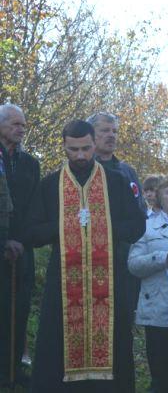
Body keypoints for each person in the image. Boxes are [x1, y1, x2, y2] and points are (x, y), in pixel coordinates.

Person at [26, 119, 146, 392]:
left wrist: (102, 224)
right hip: (63, 287)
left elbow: (137, 225)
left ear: (94, 145)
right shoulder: (50, 185)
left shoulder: (116, 182)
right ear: (64, 147)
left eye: (86, 148)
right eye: (73, 149)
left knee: (113, 343)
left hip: (109, 284)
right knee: (57, 342)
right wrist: (63, 225)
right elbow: (31, 233)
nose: (80, 155)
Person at [129, 173, 168, 393]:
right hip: (159, 304)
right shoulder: (146, 227)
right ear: (159, 195)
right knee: (161, 369)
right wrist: (164, 259)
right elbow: (133, 264)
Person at [88, 111, 146, 326]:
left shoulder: (127, 171)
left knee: (120, 324)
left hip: (121, 261)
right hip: (88, 261)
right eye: (104, 130)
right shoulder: (82, 170)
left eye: (114, 131)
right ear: (90, 135)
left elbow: (140, 213)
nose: (111, 135)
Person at [0, 104, 39, 388]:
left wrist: (21, 241)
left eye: (23, 125)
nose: (21, 129)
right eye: (15, 124)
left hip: (22, 248)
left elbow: (33, 209)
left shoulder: (30, 164)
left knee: (19, 308)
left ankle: (14, 368)